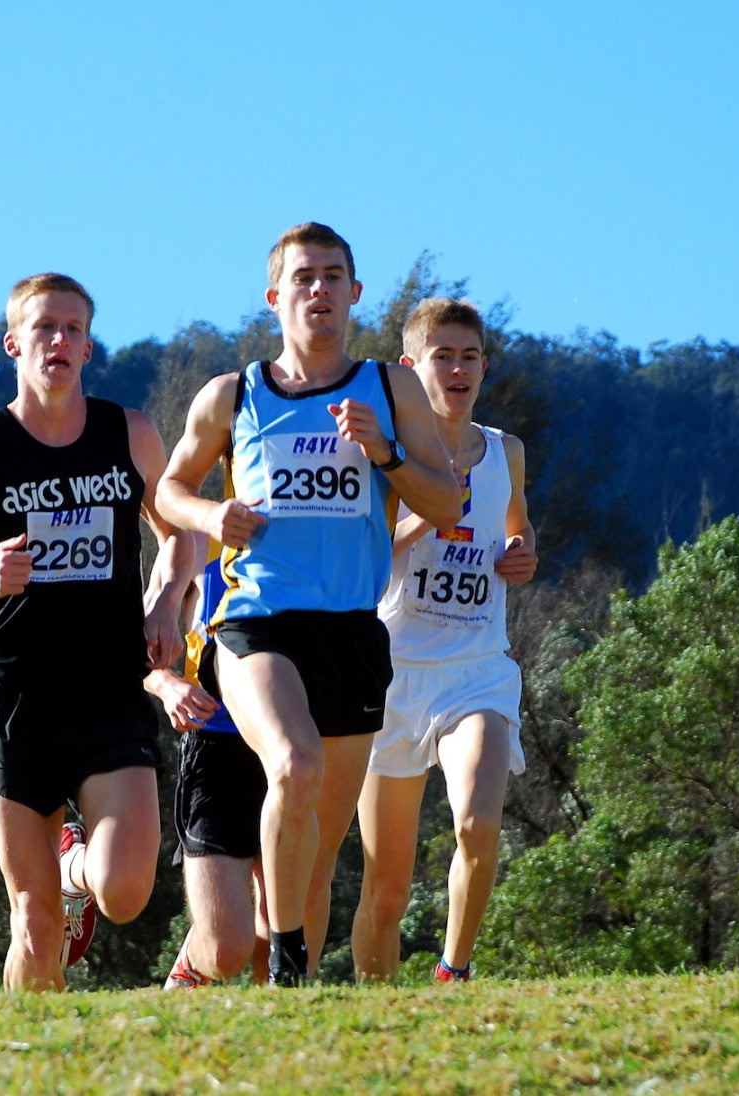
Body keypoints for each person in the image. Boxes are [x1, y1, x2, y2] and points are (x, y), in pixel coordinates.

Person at [155, 223, 463, 985]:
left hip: (352, 634)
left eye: (332, 276)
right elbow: (167, 489)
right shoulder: (233, 395)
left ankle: (284, 993)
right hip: (256, 622)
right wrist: (209, 516)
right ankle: (288, 958)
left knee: (319, 853)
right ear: (275, 297)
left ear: (355, 294)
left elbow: (447, 501)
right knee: (294, 766)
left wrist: (384, 454)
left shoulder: (390, 391)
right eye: (303, 277)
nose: (318, 289)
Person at [0, 273, 191, 991]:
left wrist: (166, 603)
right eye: (45, 328)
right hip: (16, 697)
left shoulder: (131, 433)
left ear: (87, 348)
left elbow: (180, 537)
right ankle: (32, 1059)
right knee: (35, 921)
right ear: (14, 344)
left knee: (125, 891)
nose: (60, 340)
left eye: (74, 330)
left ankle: (74, 865)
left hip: (110, 688)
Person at [352, 298, 538, 983]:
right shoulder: (386, 461)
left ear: (484, 367)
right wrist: (427, 512)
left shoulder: (505, 453)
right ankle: (377, 1011)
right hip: (394, 676)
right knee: (388, 888)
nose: (457, 369)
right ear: (410, 367)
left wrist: (522, 552)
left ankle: (452, 974)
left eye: (469, 357)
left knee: (476, 826)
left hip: (477, 670)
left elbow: (517, 528)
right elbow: (362, 566)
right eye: (442, 355)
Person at [143, 532, 270, 988]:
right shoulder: (194, 539)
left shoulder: (314, 513)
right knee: (225, 946)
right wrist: (166, 684)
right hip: (216, 749)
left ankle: (276, 1037)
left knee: (280, 923)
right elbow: (140, 651)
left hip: (289, 740)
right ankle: (188, 975)